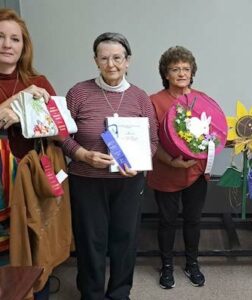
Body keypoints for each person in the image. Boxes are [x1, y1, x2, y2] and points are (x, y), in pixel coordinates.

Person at [61, 32, 158, 299]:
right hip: (86, 179)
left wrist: (139, 163)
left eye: (117, 58)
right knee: (90, 240)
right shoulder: (78, 93)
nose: (111, 64)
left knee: (124, 240)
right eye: (104, 58)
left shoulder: (140, 98)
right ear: (95, 61)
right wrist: (82, 155)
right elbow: (62, 136)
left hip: (128, 181)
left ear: (128, 61)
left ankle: (119, 293)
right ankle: (91, 293)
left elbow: (152, 140)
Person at [147, 46, 208, 289]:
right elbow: (151, 139)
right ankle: (167, 266)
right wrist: (169, 161)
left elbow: (212, 134)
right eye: (175, 69)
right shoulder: (154, 101)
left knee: (193, 220)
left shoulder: (203, 100)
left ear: (192, 72)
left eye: (186, 68)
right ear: (166, 73)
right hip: (166, 171)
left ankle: (192, 263)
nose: (181, 73)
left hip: (196, 171)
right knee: (167, 221)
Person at [0, 7, 56, 259]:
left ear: (24, 46)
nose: (7, 44)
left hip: (31, 174)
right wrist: (21, 99)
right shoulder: (30, 89)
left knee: (34, 242)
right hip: (0, 184)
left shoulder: (39, 81)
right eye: (0, 36)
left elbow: (60, 131)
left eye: (15, 39)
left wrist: (23, 116)